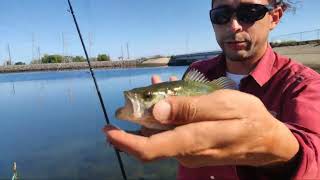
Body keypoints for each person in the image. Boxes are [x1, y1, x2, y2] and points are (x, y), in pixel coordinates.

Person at [103, 0, 320, 179]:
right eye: (221, 15)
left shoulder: (304, 85)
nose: (233, 25)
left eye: (249, 12)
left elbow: (315, 158)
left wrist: (280, 152)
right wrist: (158, 132)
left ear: (274, 17)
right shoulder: (197, 70)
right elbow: (183, 132)